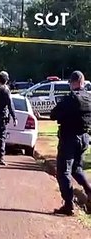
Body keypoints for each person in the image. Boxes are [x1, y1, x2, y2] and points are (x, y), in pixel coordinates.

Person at [50, 70, 91, 216]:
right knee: (77, 168)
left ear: (72, 82)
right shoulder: (89, 97)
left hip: (69, 138)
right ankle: (89, 191)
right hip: (84, 138)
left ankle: (68, 205)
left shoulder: (70, 98)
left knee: (63, 171)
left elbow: (53, 114)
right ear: (83, 82)